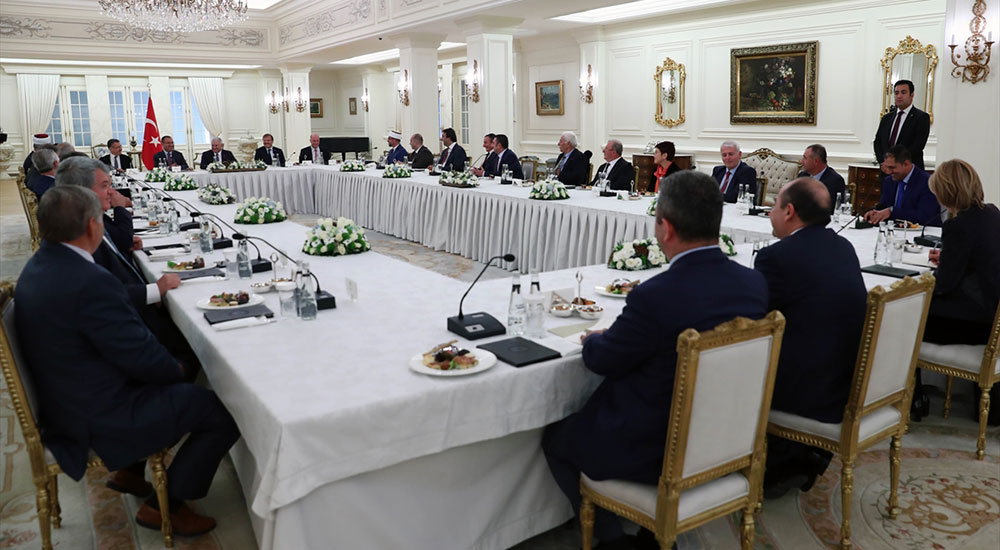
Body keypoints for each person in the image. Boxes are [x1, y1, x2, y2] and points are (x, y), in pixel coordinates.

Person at [542, 170, 768, 549]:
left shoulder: (657, 295)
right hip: (730, 437)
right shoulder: (753, 283)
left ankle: (612, 540)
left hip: (656, 449)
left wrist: (593, 340)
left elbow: (603, 362)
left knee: (557, 437)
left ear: (665, 228)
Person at [15, 185, 240, 537]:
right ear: (93, 226)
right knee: (219, 410)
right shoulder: (88, 280)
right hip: (96, 414)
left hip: (66, 398)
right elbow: (141, 356)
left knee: (179, 372)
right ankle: (166, 507)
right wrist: (179, 369)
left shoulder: (38, 266)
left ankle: (132, 472)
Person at [754, 177, 867, 497]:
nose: (771, 212)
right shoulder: (843, 247)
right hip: (847, 381)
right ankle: (797, 457)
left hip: (809, 391)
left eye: (774, 206)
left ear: (789, 211)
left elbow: (755, 322)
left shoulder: (777, 257)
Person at [921, 159, 1000, 424]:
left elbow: (944, 284)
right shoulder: (991, 213)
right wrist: (949, 258)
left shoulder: (958, 226)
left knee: (905, 319)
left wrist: (929, 279)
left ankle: (911, 398)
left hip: (975, 320)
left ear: (946, 193)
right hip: (992, 313)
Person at [863, 145, 942, 226]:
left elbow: (926, 216)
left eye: (892, 168)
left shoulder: (928, 182)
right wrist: (874, 213)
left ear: (906, 164)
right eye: (887, 167)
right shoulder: (889, 181)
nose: (888, 172)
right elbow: (883, 207)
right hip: (892, 230)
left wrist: (892, 212)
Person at [874, 79, 930, 171]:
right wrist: (883, 162)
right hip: (886, 171)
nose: (899, 96)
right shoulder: (886, 118)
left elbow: (918, 145)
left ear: (912, 95)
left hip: (909, 170)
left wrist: (896, 163)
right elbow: (878, 142)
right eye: (896, 93)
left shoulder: (921, 117)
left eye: (903, 93)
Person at [797, 144, 845, 210]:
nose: (802, 161)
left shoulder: (835, 180)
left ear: (816, 161)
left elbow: (830, 208)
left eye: (805, 158)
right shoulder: (802, 176)